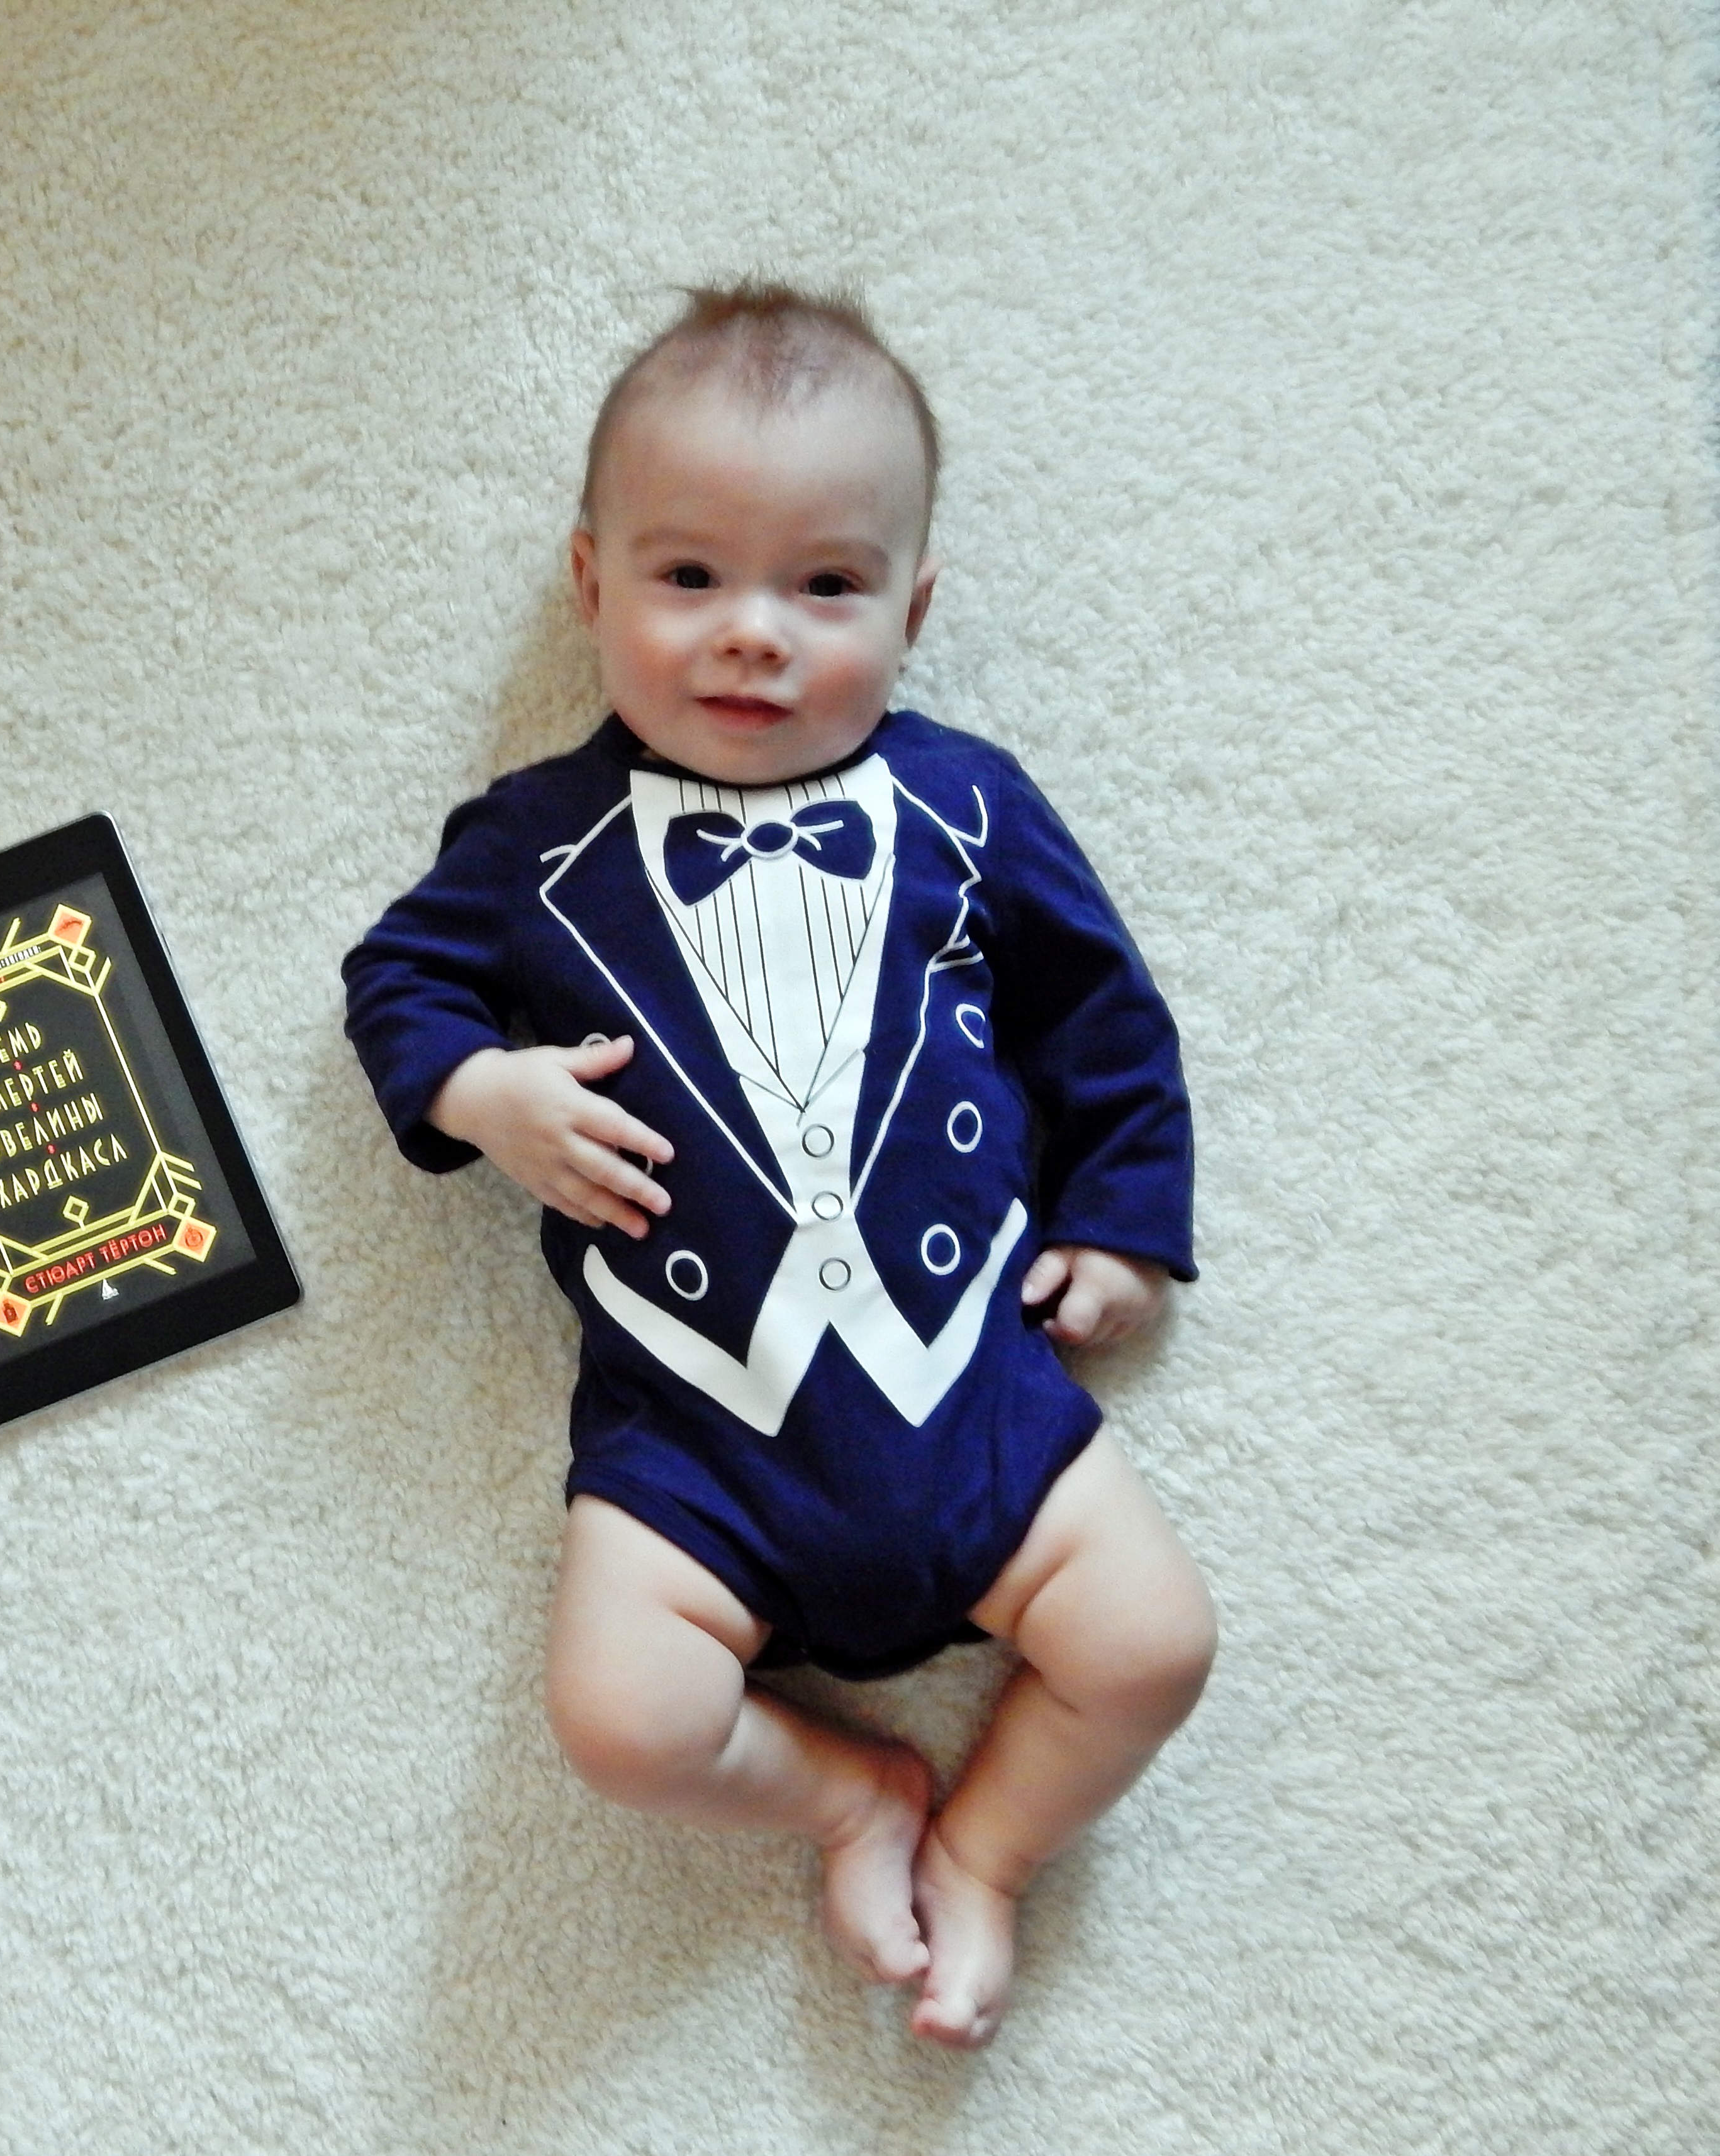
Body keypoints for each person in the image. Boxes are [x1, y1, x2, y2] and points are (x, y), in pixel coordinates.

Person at [342, 284, 1215, 2048]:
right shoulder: (532, 841)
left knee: (1152, 1644)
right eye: (689, 578)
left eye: (824, 587)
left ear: (913, 608)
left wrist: (1124, 1223)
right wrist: (485, 1093)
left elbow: (1100, 1014)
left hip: (970, 1394)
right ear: (589, 583)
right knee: (620, 1721)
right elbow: (397, 979)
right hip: (694, 1439)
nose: (753, 636)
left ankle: (985, 1848)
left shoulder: (969, 805)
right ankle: (842, 1793)